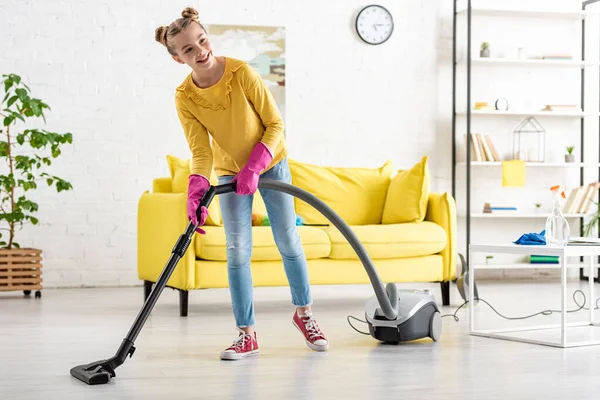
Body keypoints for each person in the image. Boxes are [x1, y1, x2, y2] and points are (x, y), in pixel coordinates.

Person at [155, 7, 328, 360]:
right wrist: (196, 188)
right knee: (237, 251)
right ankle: (246, 334)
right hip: (228, 174)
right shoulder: (185, 97)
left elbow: (275, 125)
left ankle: (305, 314)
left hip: (272, 164)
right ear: (177, 58)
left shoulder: (241, 72)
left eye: (202, 41)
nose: (200, 50)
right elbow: (200, 151)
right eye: (188, 49)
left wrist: (256, 166)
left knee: (288, 240)